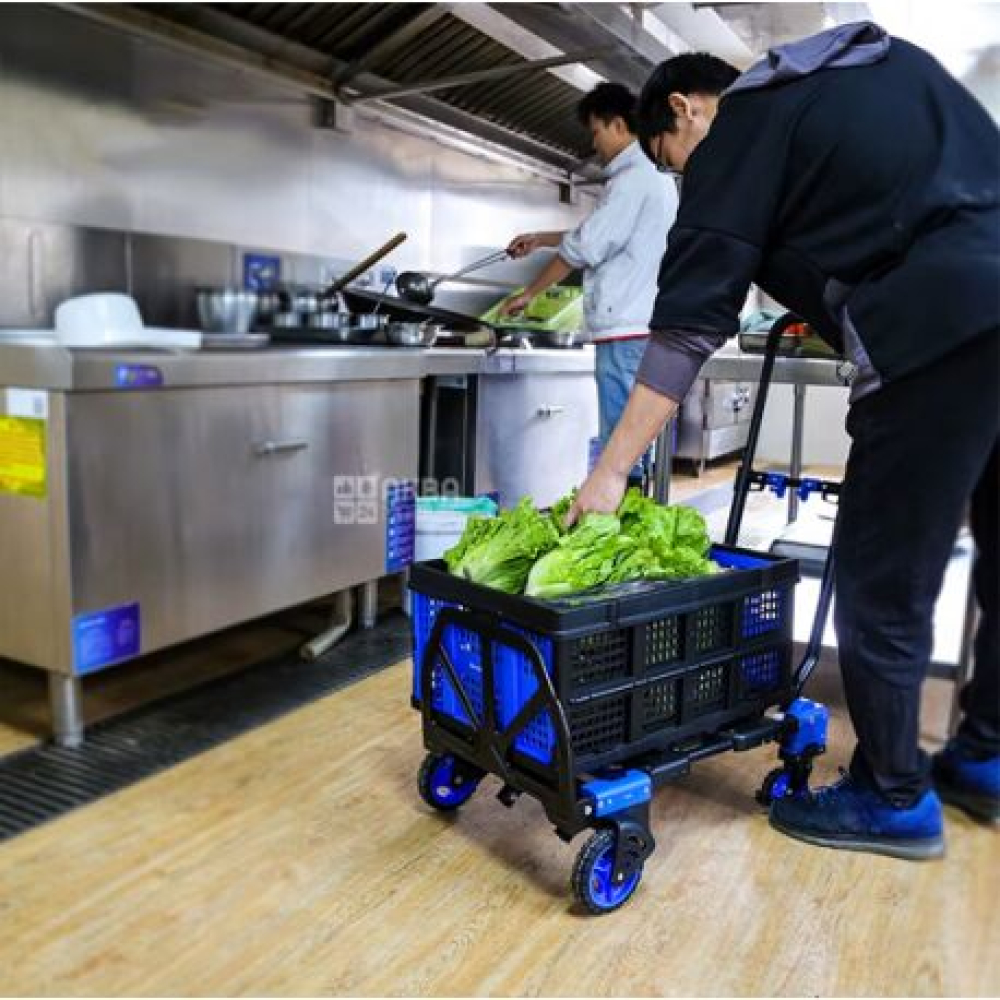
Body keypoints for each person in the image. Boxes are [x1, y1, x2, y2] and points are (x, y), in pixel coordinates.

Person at [568, 24, 999, 858]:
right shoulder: (881, 69)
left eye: (670, 159)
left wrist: (610, 472)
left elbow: (689, 324)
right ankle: (986, 755)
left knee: (883, 573)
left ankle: (890, 796)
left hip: (938, 326)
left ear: (686, 111)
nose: (684, 177)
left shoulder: (741, 126)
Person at [502, 82, 678, 486]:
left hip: (625, 329)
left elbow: (584, 247)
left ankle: (623, 516)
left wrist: (530, 293)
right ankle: (629, 513)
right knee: (628, 442)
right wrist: (541, 239)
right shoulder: (647, 175)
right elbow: (597, 234)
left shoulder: (634, 178)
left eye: (596, 132)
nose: (594, 143)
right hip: (636, 325)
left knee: (621, 446)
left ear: (618, 125)